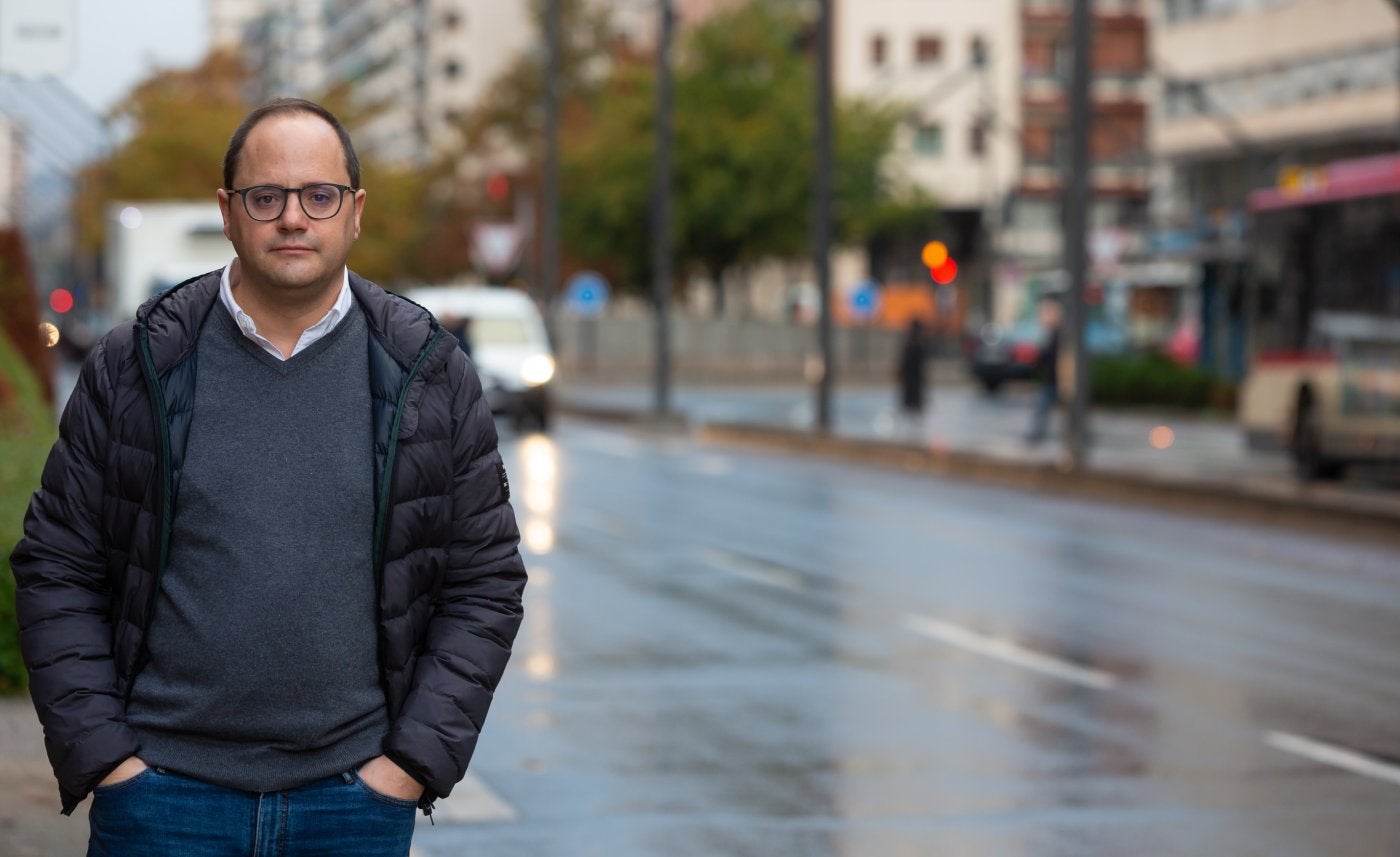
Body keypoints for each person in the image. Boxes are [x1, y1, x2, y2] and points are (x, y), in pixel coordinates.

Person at [8, 98, 527, 857]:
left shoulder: (428, 370)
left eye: (319, 196)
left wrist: (409, 765)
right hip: (162, 804)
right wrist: (109, 761)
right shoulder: (138, 364)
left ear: (353, 212)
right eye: (266, 196)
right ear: (228, 211)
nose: (293, 217)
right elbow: (56, 564)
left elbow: (484, 581)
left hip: (353, 803)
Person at [1025, 296, 1063, 444]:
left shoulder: (1059, 334)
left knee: (1041, 407)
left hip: (1055, 380)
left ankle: (1036, 434)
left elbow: (1053, 357)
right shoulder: (1051, 334)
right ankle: (1037, 433)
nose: (1043, 318)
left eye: (1047, 313)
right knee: (1042, 408)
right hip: (1051, 379)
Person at [896, 317, 930, 420]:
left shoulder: (913, 344)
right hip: (912, 382)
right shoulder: (914, 344)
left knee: (912, 409)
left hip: (914, 382)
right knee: (911, 409)